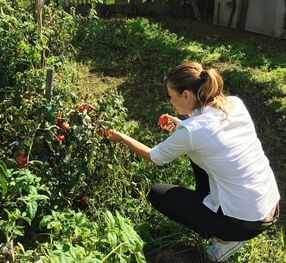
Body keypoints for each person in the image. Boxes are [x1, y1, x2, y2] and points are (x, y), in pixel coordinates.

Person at [104, 61, 280, 262]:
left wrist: (120, 136)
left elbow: (154, 156)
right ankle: (217, 218)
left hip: (242, 223)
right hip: (269, 207)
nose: (170, 101)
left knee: (157, 193)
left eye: (171, 96)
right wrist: (182, 125)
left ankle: (225, 240)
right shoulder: (233, 104)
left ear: (186, 95)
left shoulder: (192, 131)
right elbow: (211, 134)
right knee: (199, 158)